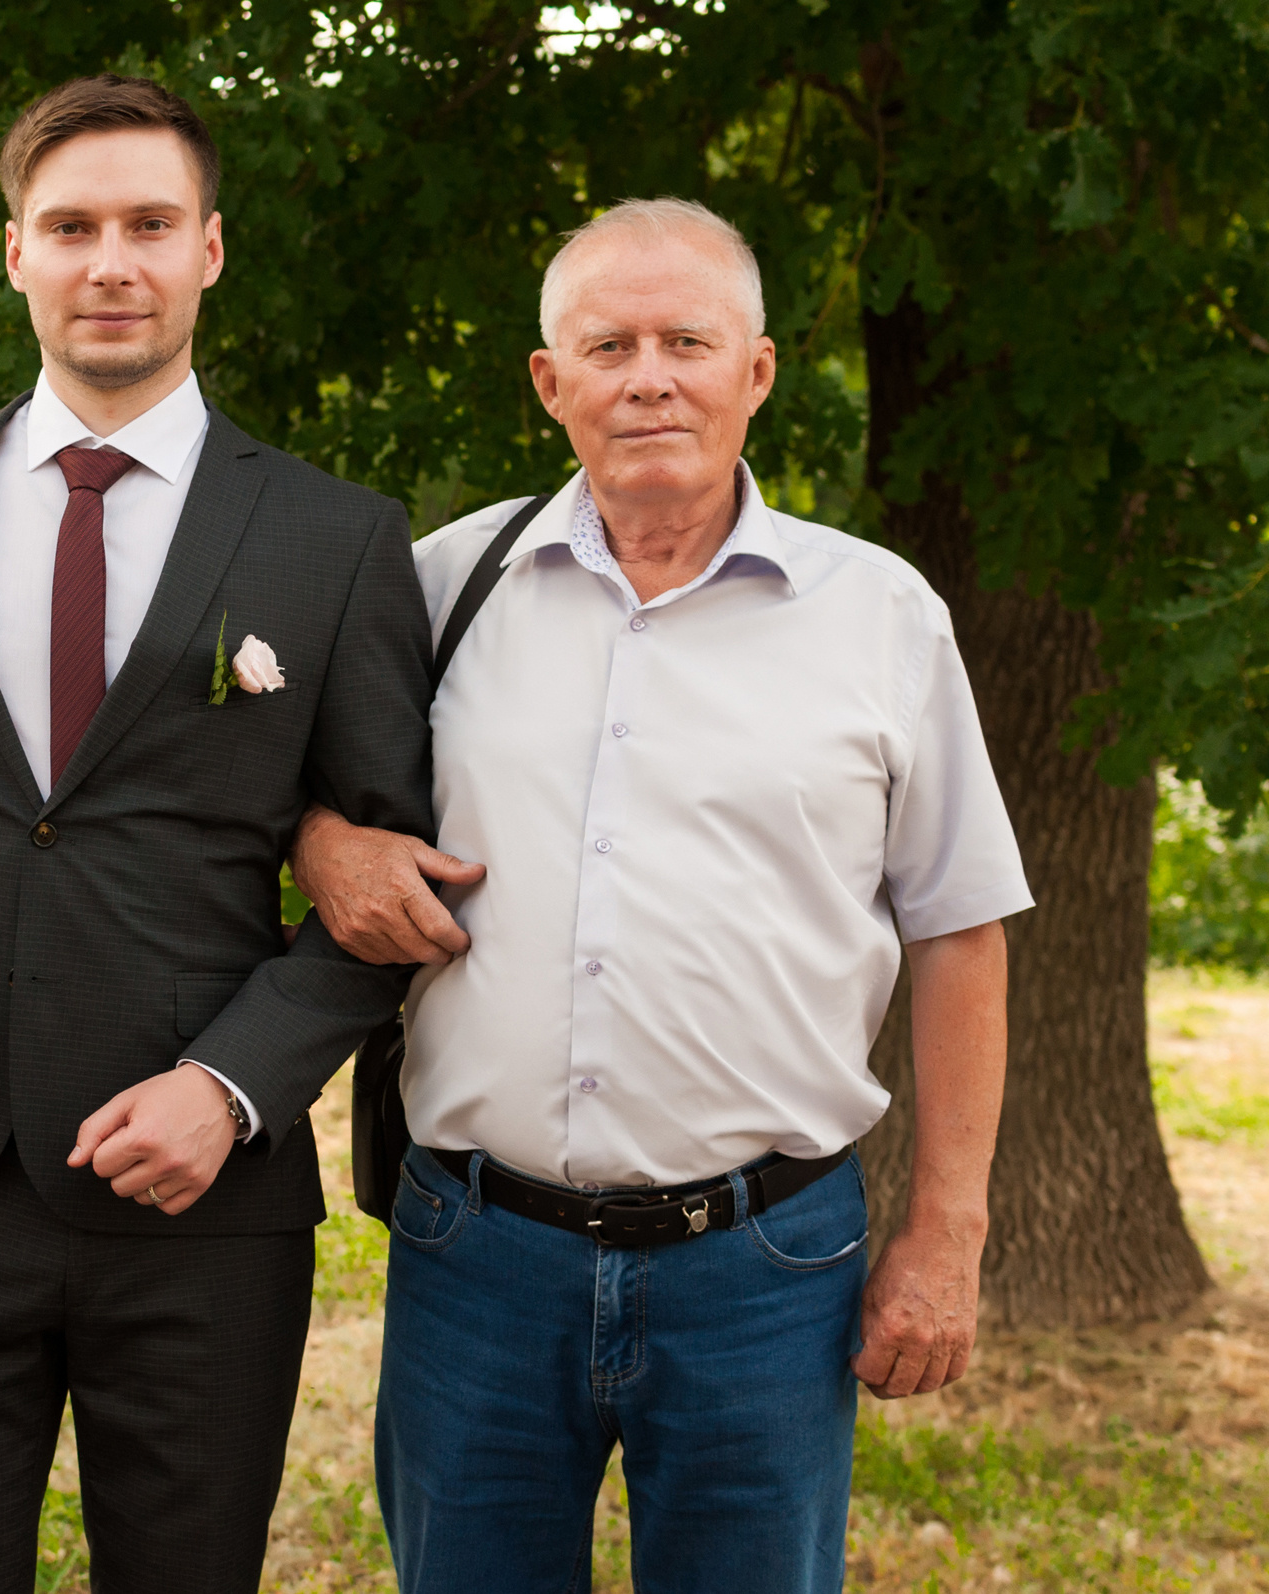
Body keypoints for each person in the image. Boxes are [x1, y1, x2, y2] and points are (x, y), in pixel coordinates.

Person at [291, 198, 1032, 1592]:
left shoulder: (881, 613)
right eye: (608, 345)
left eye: (688, 342)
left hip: (768, 1266)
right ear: (548, 380)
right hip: (476, 1255)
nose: (650, 379)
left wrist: (948, 1231)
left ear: (756, 370)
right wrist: (326, 844)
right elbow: (311, 799)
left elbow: (959, 926)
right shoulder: (439, 586)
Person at [0, 75, 434, 1594]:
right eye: (71, 226)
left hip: (207, 1204)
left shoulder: (336, 536)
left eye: (150, 225)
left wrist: (235, 1085)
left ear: (209, 250)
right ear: (13, 251)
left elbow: (391, 890)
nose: (112, 263)